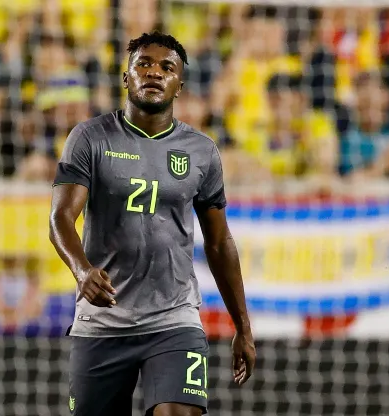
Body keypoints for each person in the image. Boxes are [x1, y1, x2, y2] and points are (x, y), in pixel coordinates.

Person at [49, 31, 255, 416]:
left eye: (167, 67)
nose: (154, 72)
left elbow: (219, 242)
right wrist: (81, 271)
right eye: (143, 63)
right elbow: (60, 217)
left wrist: (242, 326)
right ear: (126, 78)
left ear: (179, 85)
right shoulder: (90, 138)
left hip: (174, 319)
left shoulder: (202, 152)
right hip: (103, 322)